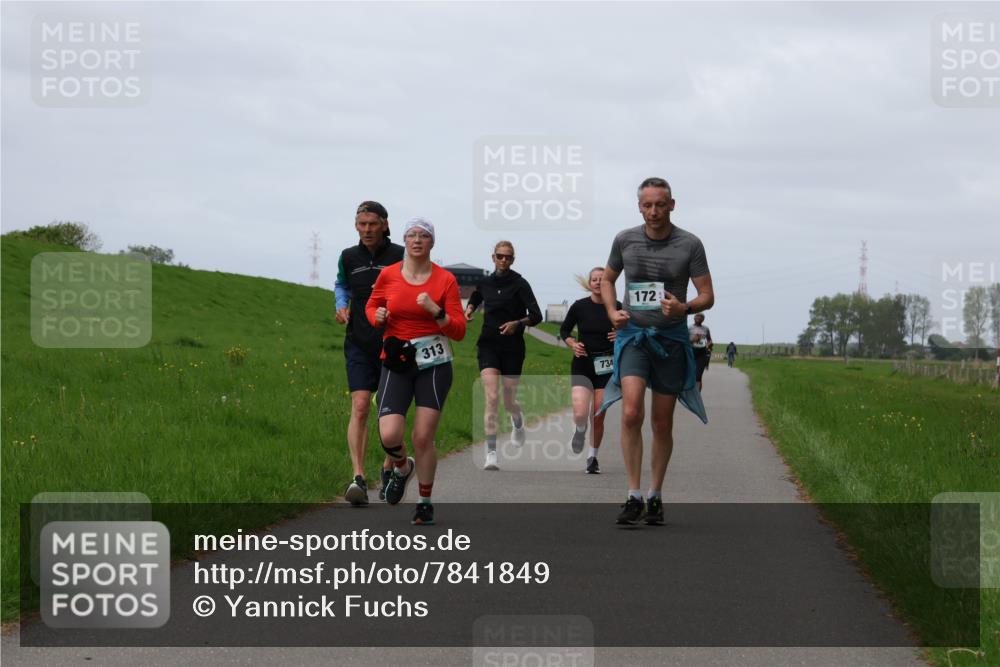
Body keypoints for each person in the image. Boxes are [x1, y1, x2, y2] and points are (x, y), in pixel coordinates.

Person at [598, 177, 714, 526]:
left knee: (662, 422)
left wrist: (684, 308)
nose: (653, 212)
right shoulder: (625, 239)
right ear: (639, 207)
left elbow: (707, 295)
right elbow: (608, 279)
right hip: (633, 336)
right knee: (631, 412)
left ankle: (655, 495)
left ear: (672, 205)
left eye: (660, 205)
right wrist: (612, 311)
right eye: (647, 205)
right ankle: (633, 495)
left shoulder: (690, 244)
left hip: (670, 339)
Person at [366, 218, 466, 525]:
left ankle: (424, 503)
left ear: (432, 242)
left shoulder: (445, 280)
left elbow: (459, 330)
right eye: (412, 235)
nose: (417, 240)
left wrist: (436, 311)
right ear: (405, 240)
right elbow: (371, 307)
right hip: (397, 361)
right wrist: (377, 316)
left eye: (424, 235)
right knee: (389, 434)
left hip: (433, 366)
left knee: (423, 437)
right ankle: (402, 467)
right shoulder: (388, 275)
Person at [334, 201, 404, 506]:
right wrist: (341, 305)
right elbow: (342, 285)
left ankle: (389, 468)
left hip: (394, 343)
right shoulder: (348, 256)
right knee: (361, 405)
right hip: (359, 342)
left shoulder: (401, 255)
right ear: (355, 226)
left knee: (389, 412)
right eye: (362, 224)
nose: (367, 230)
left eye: (373, 224)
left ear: (385, 225)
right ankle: (358, 478)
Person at [465, 241, 543, 471]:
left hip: (512, 347)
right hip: (488, 344)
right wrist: (469, 308)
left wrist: (517, 323)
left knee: (508, 400)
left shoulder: (520, 284)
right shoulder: (486, 281)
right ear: (493, 257)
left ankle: (517, 421)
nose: (503, 260)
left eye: (508, 257)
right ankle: (491, 453)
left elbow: (536, 315)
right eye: (500, 256)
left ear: (513, 259)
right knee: (491, 396)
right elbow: (476, 296)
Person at [559, 267, 621, 474]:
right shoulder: (579, 306)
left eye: (602, 279)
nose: (597, 282)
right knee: (580, 412)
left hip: (607, 367)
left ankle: (592, 457)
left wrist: (621, 334)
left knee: (598, 414)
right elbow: (564, 330)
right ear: (589, 283)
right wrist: (572, 343)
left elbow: (631, 330)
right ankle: (580, 429)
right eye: (594, 279)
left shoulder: (617, 307)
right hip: (583, 363)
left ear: (608, 283)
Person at [688, 313, 713, 391]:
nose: (699, 318)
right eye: (697, 316)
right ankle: (689, 392)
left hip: (702, 352)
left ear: (703, 319)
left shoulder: (706, 328)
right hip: (691, 351)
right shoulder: (689, 328)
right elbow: (684, 341)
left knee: (698, 376)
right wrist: (693, 340)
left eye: (701, 317)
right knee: (689, 374)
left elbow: (709, 340)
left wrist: (709, 344)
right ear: (694, 318)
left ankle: (697, 393)